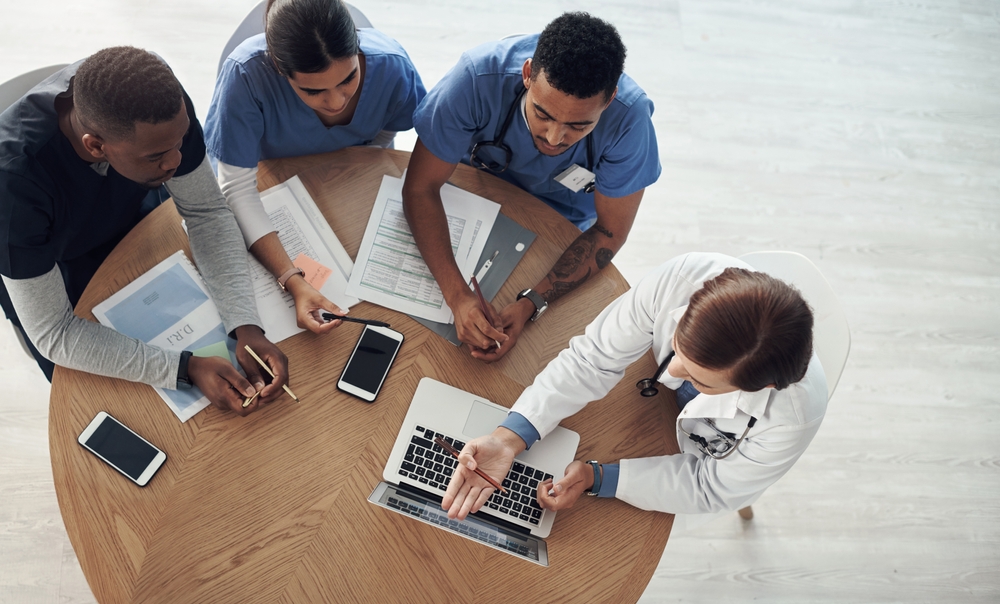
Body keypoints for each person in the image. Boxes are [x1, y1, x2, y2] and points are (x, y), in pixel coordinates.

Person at [441, 252, 829, 530]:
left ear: (761, 386)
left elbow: (710, 487)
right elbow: (591, 359)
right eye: (676, 346)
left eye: (700, 378)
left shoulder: (790, 417)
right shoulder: (680, 281)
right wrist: (509, 437)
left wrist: (601, 478)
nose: (671, 371)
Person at [0, 46, 289, 416]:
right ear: (96, 146)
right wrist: (183, 368)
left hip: (131, 223)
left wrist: (245, 324)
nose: (177, 161)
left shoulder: (160, 101)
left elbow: (206, 212)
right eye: (156, 156)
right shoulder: (14, 185)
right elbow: (54, 332)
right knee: (110, 413)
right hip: (51, 267)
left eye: (180, 141)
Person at [403, 12, 660, 362]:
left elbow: (609, 232)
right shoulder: (478, 78)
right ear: (527, 75)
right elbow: (421, 188)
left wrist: (530, 303)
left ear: (610, 99)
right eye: (543, 114)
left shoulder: (631, 122)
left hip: (560, 227)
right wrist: (458, 297)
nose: (555, 138)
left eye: (579, 125)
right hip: (472, 194)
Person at [205, 0, 425, 334]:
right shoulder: (245, 76)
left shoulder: (391, 67)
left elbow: (388, 127)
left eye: (349, 78)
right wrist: (292, 279)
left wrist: (351, 163)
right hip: (271, 181)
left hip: (350, 181)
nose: (337, 102)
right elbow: (236, 187)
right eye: (313, 91)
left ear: (358, 47)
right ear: (279, 69)